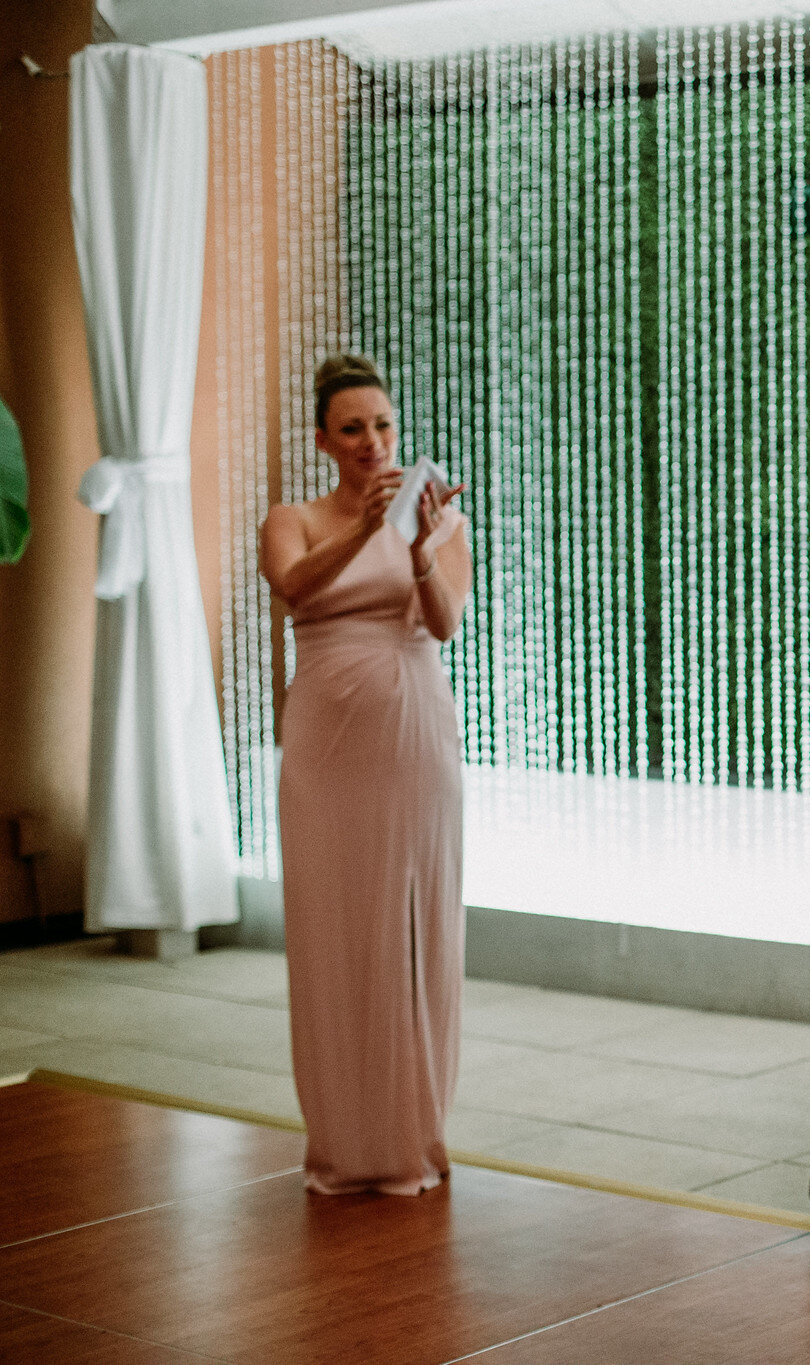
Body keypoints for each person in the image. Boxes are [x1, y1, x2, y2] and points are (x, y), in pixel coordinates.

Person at [260, 354, 471, 1196]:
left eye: (382, 424)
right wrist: (364, 528)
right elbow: (291, 585)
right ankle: (345, 1145)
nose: (373, 442)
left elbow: (447, 622)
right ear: (323, 439)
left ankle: (414, 1138)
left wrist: (419, 546)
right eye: (352, 428)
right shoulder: (295, 518)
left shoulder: (439, 518)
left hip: (417, 737)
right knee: (335, 928)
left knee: (414, 927)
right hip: (325, 748)